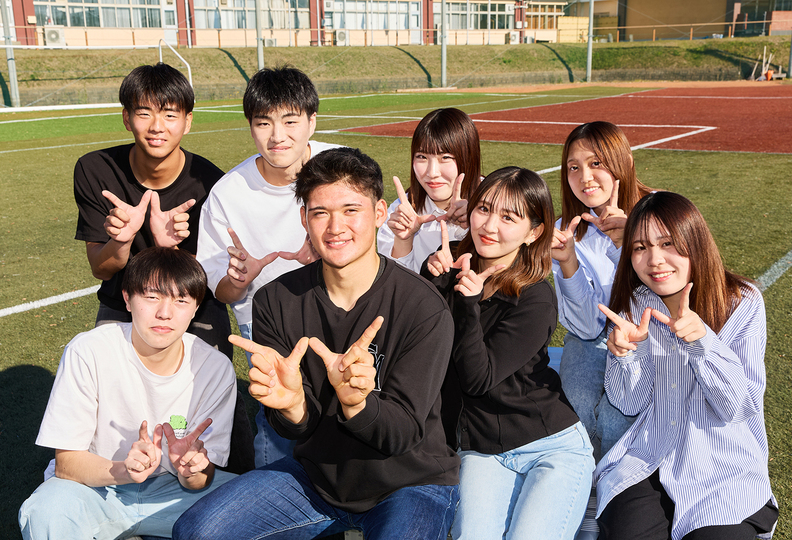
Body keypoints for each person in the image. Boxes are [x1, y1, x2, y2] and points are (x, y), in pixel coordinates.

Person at [173, 147, 460, 540]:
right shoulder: (275, 300)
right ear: (304, 219)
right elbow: (293, 426)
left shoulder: (423, 306)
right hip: (316, 478)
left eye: (350, 210)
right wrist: (291, 406)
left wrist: (356, 402)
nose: (335, 227)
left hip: (409, 482)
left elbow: (403, 433)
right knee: (197, 531)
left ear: (379, 214)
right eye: (320, 212)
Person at [73, 62, 254, 474]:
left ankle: (231, 484)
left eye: (170, 114)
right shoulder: (96, 170)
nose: (157, 126)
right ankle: (112, 479)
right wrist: (124, 238)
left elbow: (209, 279)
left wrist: (167, 249)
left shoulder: (210, 183)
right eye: (144, 112)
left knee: (214, 393)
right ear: (126, 117)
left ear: (187, 122)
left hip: (192, 303)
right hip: (123, 300)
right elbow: (102, 269)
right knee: (112, 395)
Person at [18, 247, 238, 540]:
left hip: (171, 492)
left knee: (254, 507)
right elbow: (67, 464)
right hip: (95, 488)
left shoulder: (215, 367)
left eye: (181, 300)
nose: (164, 313)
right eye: (152, 297)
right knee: (47, 509)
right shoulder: (89, 350)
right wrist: (125, 470)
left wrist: (191, 471)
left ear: (196, 308)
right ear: (127, 299)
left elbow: (201, 479)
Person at [422, 167, 594, 540]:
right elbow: (421, 347)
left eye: (508, 217)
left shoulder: (535, 297)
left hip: (550, 446)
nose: (489, 225)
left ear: (534, 232)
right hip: (482, 449)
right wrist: (432, 282)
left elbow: (478, 378)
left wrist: (466, 304)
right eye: (483, 208)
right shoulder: (452, 269)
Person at [595, 192, 777, 540]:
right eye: (640, 247)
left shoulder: (742, 303)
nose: (655, 259)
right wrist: (625, 356)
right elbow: (629, 402)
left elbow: (736, 406)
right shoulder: (633, 306)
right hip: (651, 457)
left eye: (667, 243)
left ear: (694, 241)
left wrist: (702, 342)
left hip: (723, 467)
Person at [196, 66, 341, 468]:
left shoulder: (341, 166)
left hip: (341, 310)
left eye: (290, 121)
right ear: (250, 126)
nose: (277, 136)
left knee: (345, 408)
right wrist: (238, 279)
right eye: (264, 123)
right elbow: (218, 289)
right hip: (266, 323)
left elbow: (377, 245)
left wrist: (330, 254)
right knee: (279, 423)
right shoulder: (229, 193)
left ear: (312, 121)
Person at [551, 121, 654, 459]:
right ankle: (590, 480)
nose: (585, 177)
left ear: (621, 161)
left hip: (652, 330)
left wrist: (632, 245)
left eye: (596, 163)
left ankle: (629, 482)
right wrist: (568, 263)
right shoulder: (565, 231)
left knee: (616, 418)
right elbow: (585, 327)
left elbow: (677, 289)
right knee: (578, 405)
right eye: (574, 167)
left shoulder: (656, 210)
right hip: (592, 336)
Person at [377, 107, 481, 272]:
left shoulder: (495, 203)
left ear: (469, 157)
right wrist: (403, 240)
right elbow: (394, 287)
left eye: (445, 158)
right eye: (422, 157)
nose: (432, 173)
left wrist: (478, 223)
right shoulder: (400, 212)